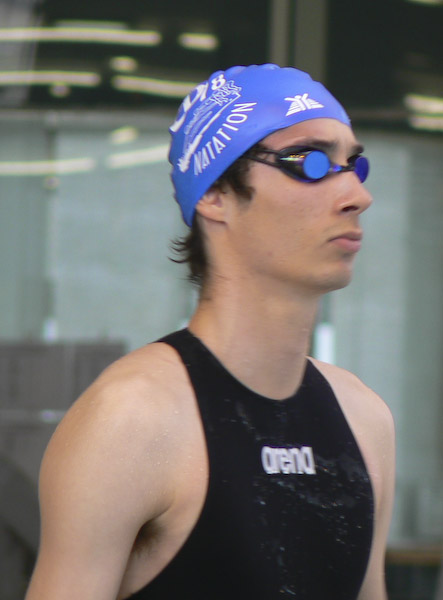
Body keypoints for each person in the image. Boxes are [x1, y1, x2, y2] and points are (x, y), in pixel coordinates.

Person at [25, 64, 395, 600]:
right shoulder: (131, 420)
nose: (357, 195)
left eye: (354, 165)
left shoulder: (365, 420)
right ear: (215, 192)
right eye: (310, 163)